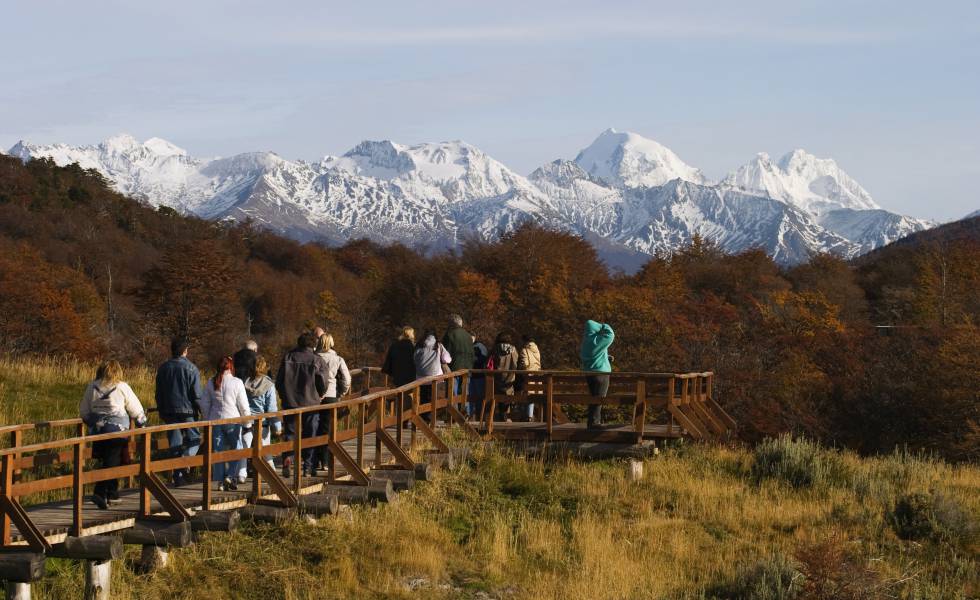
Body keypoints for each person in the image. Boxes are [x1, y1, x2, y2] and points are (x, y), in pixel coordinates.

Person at [80, 361, 147, 509]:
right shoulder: (121, 386)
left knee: (109, 460)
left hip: (97, 431)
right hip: (117, 431)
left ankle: (112, 493)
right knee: (112, 462)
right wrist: (142, 421)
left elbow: (84, 411)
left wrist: (94, 422)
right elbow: (134, 407)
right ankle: (100, 491)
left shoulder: (92, 386)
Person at [275, 332, 329, 478]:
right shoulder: (318, 360)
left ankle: (288, 458)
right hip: (311, 403)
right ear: (313, 344)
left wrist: (284, 395)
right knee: (310, 434)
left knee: (290, 433)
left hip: (290, 403)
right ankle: (307, 466)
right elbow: (323, 383)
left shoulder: (288, 357)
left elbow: (279, 381)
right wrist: (319, 394)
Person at [155, 336, 203, 487]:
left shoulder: (163, 368)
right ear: (185, 351)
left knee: (175, 443)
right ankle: (185, 462)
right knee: (195, 438)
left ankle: (178, 476)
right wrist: (202, 410)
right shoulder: (191, 368)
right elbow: (196, 395)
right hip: (188, 411)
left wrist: (161, 409)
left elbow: (158, 393)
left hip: (169, 411)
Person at [201, 356, 251, 491]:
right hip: (232, 421)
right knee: (238, 449)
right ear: (231, 367)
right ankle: (231, 475)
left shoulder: (211, 382)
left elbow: (204, 404)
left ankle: (220, 481)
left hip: (215, 421)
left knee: (218, 452)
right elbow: (244, 406)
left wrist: (207, 420)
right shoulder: (237, 382)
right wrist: (247, 423)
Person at [239, 356, 282, 480]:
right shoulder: (268, 385)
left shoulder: (244, 383)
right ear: (264, 367)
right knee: (265, 450)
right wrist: (277, 427)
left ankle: (241, 476)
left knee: (244, 449)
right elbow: (272, 408)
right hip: (262, 423)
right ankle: (272, 474)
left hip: (246, 421)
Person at [314, 333, 351, 472]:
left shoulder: (313, 358)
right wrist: (340, 393)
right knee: (328, 429)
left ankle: (314, 460)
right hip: (330, 396)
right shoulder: (337, 359)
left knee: (314, 428)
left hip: (313, 398)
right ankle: (325, 461)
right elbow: (347, 379)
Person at [580, 320, 615, 429]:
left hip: (589, 374)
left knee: (593, 398)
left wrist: (606, 357)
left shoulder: (585, 342)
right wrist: (604, 325)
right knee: (599, 399)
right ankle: (595, 423)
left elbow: (593, 356)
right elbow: (610, 335)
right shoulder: (597, 340)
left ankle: (592, 422)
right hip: (601, 374)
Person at [413, 330, 451, 421]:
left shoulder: (419, 345)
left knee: (423, 399)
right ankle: (432, 419)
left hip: (421, 379)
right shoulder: (438, 345)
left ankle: (424, 419)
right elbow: (447, 359)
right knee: (435, 400)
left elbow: (414, 359)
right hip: (436, 378)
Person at [441, 314, 474, 396]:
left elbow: (445, 354)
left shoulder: (449, 334)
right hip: (467, 369)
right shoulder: (468, 336)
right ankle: (464, 409)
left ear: (451, 323)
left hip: (453, 370)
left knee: (452, 397)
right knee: (465, 396)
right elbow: (472, 353)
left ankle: (453, 409)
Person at [491, 333, 519, 421]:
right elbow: (516, 362)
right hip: (510, 377)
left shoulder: (495, 349)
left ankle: (499, 415)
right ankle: (507, 416)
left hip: (497, 377)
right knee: (508, 396)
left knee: (497, 396)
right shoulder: (513, 350)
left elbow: (489, 362)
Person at [517, 335, 542, 421]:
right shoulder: (536, 349)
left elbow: (525, 364)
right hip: (537, 375)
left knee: (527, 395)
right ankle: (530, 416)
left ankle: (528, 416)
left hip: (529, 375)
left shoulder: (525, 350)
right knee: (532, 396)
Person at [468, 337, 490, 419]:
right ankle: (470, 416)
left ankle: (480, 416)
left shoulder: (480, 346)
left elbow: (484, 359)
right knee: (470, 397)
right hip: (470, 376)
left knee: (479, 398)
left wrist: (474, 359)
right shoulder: (468, 346)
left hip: (479, 376)